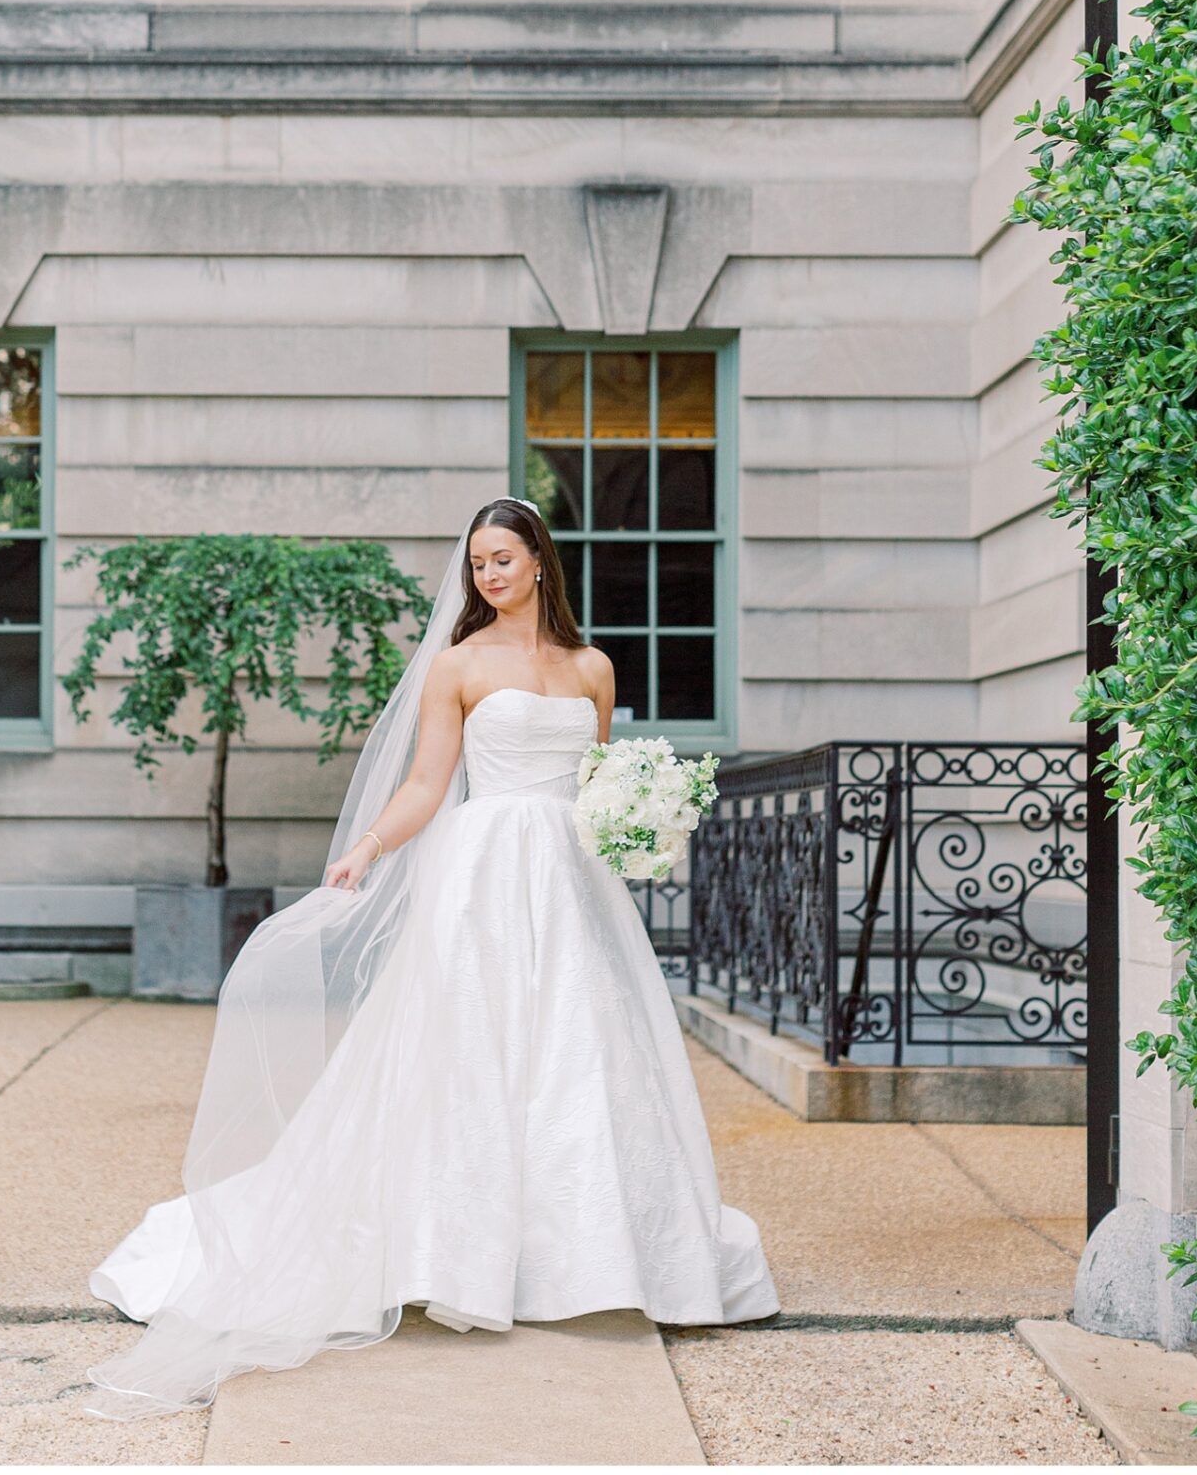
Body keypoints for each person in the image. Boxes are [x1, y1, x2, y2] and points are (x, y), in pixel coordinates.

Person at [85, 497, 778, 1419]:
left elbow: (597, 782)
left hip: (572, 883)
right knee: (467, 1055)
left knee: (581, 1054)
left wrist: (640, 820)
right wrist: (369, 847)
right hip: (482, 879)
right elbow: (426, 781)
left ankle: (590, 1258)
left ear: (539, 561)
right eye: (477, 563)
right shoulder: (457, 664)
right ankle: (452, 1252)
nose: (488, 575)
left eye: (503, 559)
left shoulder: (592, 667)